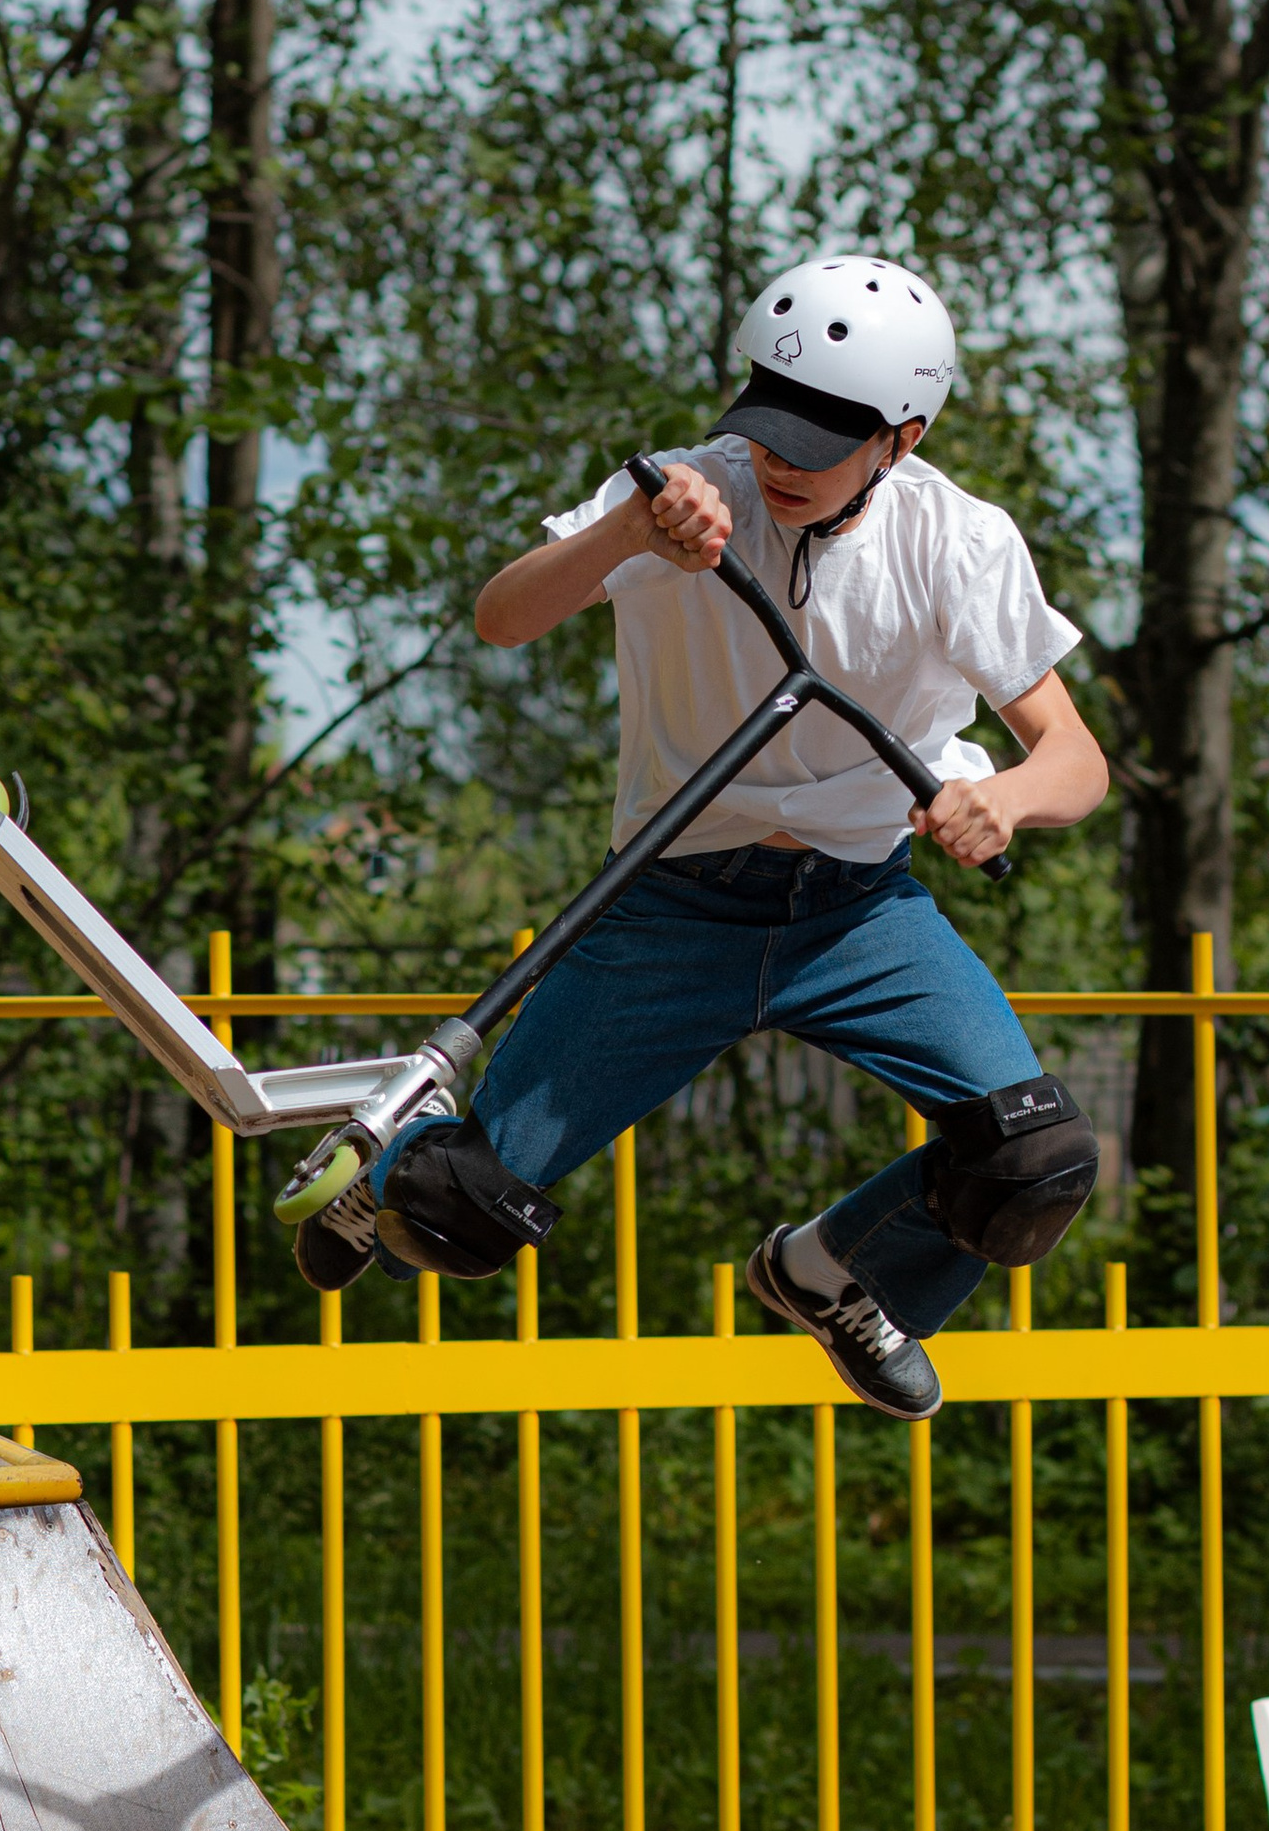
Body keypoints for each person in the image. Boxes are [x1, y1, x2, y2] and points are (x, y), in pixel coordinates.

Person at [293, 253, 1110, 1417]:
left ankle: (833, 1272)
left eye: (819, 446)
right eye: (769, 428)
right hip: (669, 908)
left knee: (1034, 1162)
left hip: (860, 915)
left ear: (903, 440)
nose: (781, 464)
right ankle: (389, 1173)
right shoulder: (680, 495)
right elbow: (501, 618)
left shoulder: (958, 542)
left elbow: (1077, 759)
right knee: (454, 1221)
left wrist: (1008, 800)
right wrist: (626, 534)